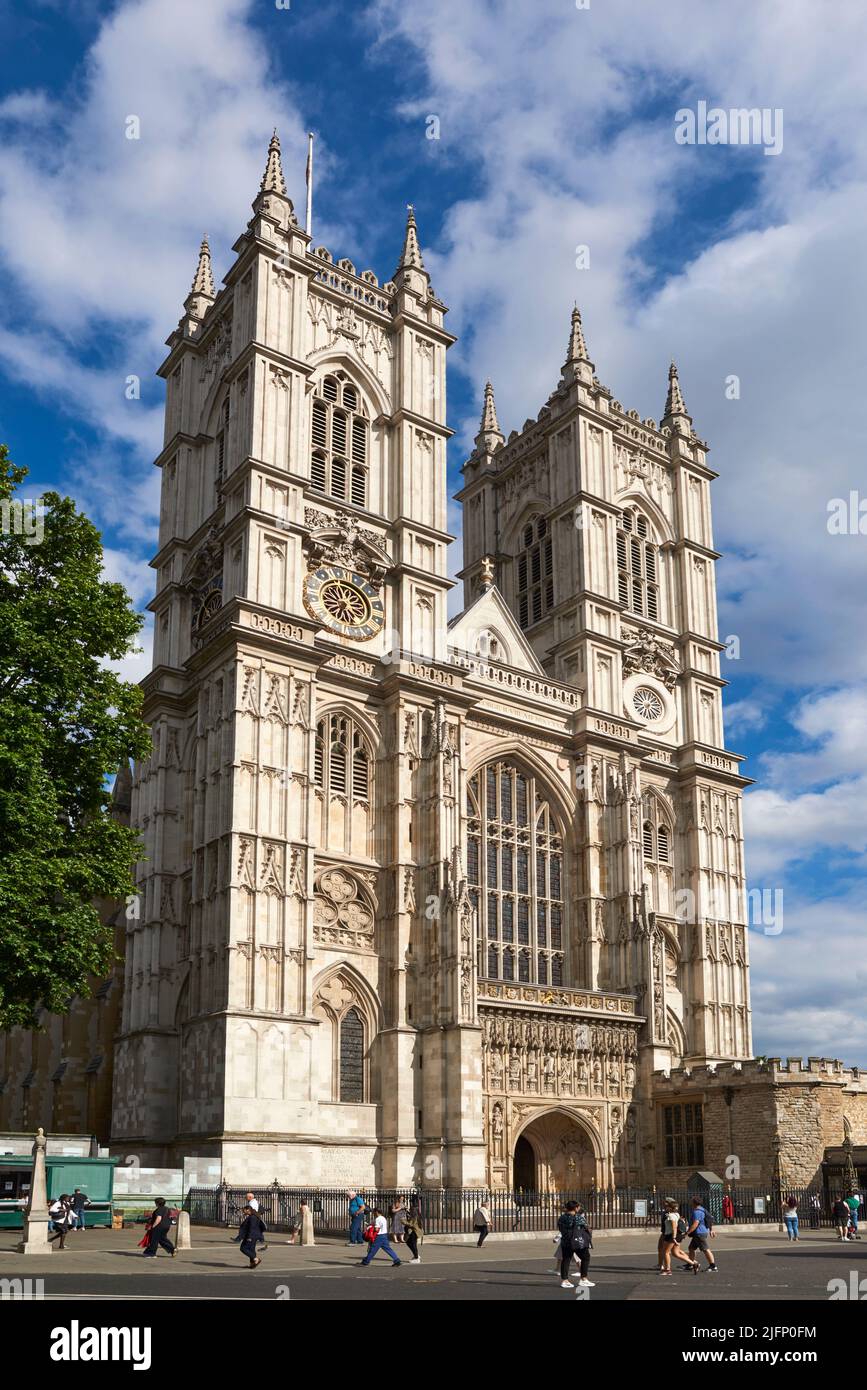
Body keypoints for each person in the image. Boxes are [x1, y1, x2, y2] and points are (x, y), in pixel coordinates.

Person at [557, 1200, 594, 1289]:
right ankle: (583, 1278)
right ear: (575, 1208)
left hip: (565, 1241)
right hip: (577, 1241)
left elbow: (560, 1228)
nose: (579, 1208)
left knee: (566, 1260)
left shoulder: (562, 1217)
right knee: (585, 1257)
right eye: (578, 1207)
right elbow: (587, 1227)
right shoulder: (578, 1217)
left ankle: (565, 1280)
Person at [659, 1199, 699, 1276]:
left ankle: (667, 1270)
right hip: (677, 1235)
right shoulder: (677, 1214)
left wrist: (673, 1238)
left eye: (667, 1207)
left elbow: (674, 1227)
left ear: (670, 1208)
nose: (665, 1208)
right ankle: (693, 1263)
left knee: (666, 1252)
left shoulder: (671, 1216)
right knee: (675, 1253)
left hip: (671, 1235)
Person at [686, 1198, 718, 1272]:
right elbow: (709, 1220)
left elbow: (695, 1224)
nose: (690, 1203)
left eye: (691, 1201)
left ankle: (713, 1266)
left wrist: (688, 1232)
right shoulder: (703, 1209)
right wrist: (711, 1230)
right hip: (701, 1232)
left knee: (705, 1249)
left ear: (694, 1203)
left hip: (699, 1233)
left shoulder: (697, 1212)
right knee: (691, 1248)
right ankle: (691, 1263)